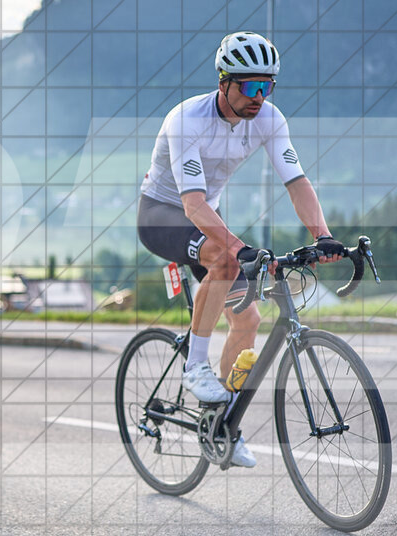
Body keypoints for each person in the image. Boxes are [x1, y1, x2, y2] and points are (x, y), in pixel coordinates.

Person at [138, 31, 344, 468]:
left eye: (267, 86)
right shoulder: (186, 120)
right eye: (250, 86)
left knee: (247, 319)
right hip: (163, 215)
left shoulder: (268, 119)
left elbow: (297, 182)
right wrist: (240, 247)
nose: (259, 97)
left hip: (205, 219)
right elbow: (191, 204)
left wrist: (322, 235)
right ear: (223, 82)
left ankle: (224, 425)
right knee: (224, 257)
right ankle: (195, 366)